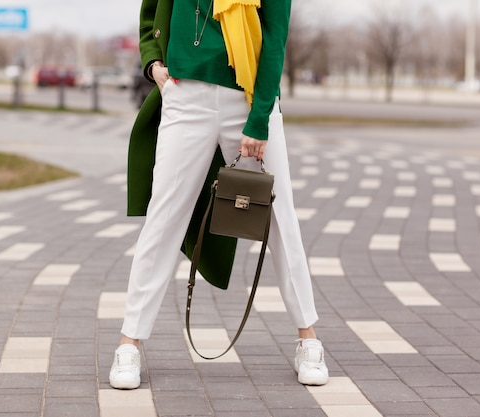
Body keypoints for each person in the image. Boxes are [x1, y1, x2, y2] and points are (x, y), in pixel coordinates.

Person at [109, 0, 329, 390]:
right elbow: (150, 14)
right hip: (184, 98)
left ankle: (308, 338)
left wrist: (259, 117)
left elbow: (274, 37)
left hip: (245, 100)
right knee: (163, 219)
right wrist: (152, 65)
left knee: (280, 220)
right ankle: (130, 343)